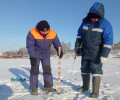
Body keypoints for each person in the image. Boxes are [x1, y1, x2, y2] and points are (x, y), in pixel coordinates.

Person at [75, 2, 113, 98]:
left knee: (96, 70)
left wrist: (104, 55)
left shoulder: (106, 24)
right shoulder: (85, 22)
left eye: (96, 18)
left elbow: (108, 41)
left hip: (97, 54)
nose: (93, 19)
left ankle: (95, 92)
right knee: (84, 69)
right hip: (85, 51)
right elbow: (79, 35)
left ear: (100, 16)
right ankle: (85, 87)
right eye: (92, 17)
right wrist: (78, 47)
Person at [26, 20, 63, 95]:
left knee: (47, 70)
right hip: (35, 54)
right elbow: (30, 46)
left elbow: (57, 43)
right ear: (39, 30)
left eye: (47, 31)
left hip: (46, 54)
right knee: (34, 71)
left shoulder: (53, 33)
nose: (46, 33)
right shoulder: (32, 33)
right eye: (43, 32)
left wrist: (60, 51)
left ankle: (48, 87)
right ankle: (34, 89)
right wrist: (33, 57)